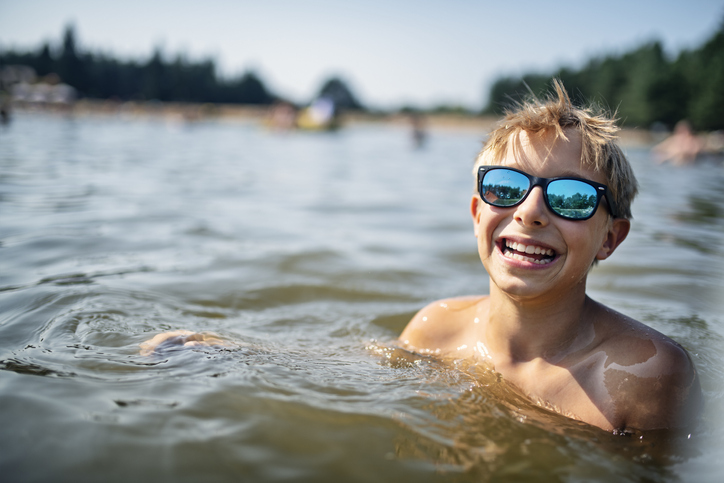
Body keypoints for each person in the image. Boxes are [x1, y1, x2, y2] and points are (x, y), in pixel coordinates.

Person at [399, 80, 702, 433]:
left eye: (571, 195)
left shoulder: (642, 376)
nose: (529, 212)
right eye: (506, 186)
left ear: (610, 238)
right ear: (477, 215)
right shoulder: (433, 330)